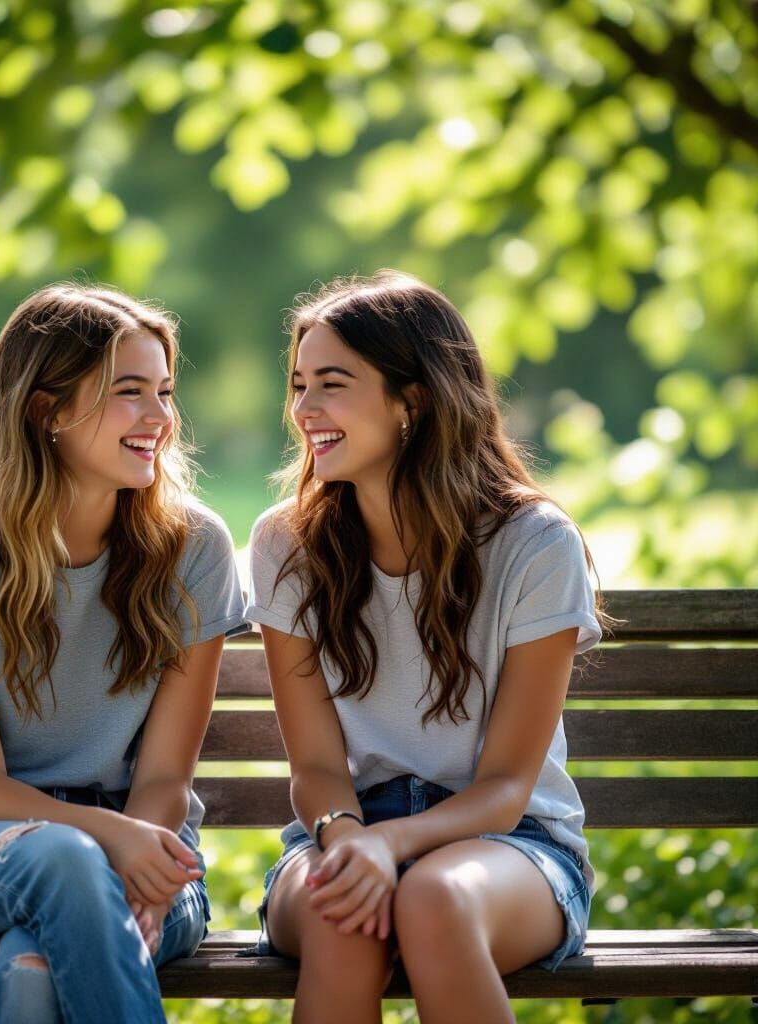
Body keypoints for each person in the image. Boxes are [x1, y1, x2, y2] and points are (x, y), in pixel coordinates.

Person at [0, 282, 247, 1024]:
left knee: (33, 967)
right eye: (128, 392)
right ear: (46, 411)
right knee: (62, 865)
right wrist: (108, 842)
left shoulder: (195, 547)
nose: (160, 419)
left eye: (165, 392)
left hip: (150, 855)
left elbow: (167, 776)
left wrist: (136, 861)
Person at [246, 271, 614, 1024]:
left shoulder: (534, 545)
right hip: (342, 830)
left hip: (513, 848)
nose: (304, 410)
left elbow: (508, 789)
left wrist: (396, 847)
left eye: (332, 384)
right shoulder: (286, 545)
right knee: (337, 910)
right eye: (298, 384)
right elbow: (315, 768)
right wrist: (351, 841)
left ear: (412, 401)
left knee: (433, 897)